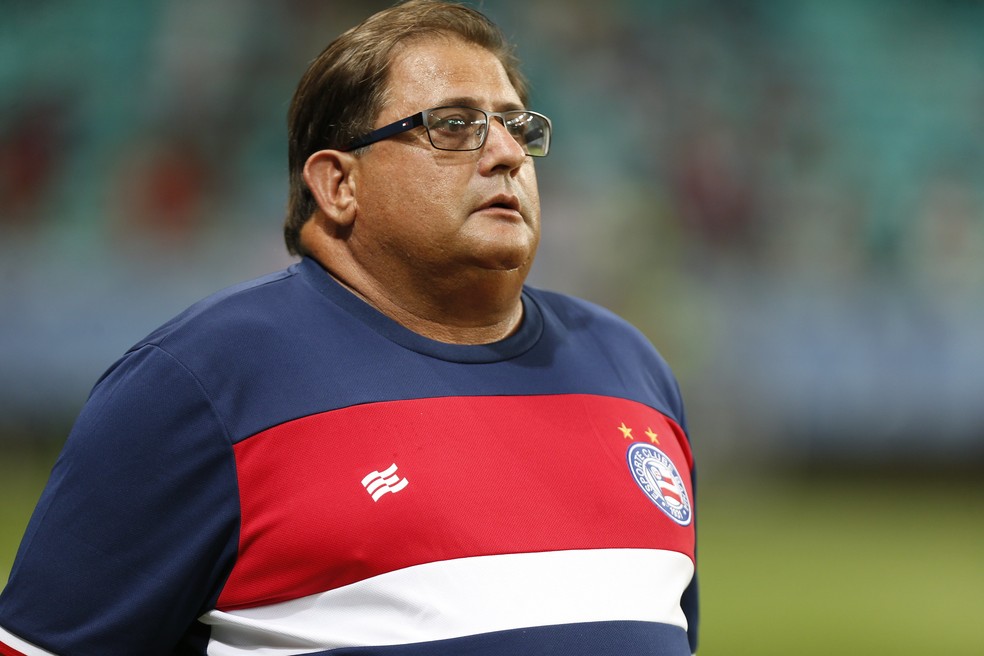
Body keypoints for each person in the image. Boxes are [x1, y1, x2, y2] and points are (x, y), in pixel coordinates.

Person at [0, 1, 698, 654]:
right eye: (455, 126)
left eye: (517, 127)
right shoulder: (201, 383)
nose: (507, 154)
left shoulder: (629, 367)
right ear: (338, 184)